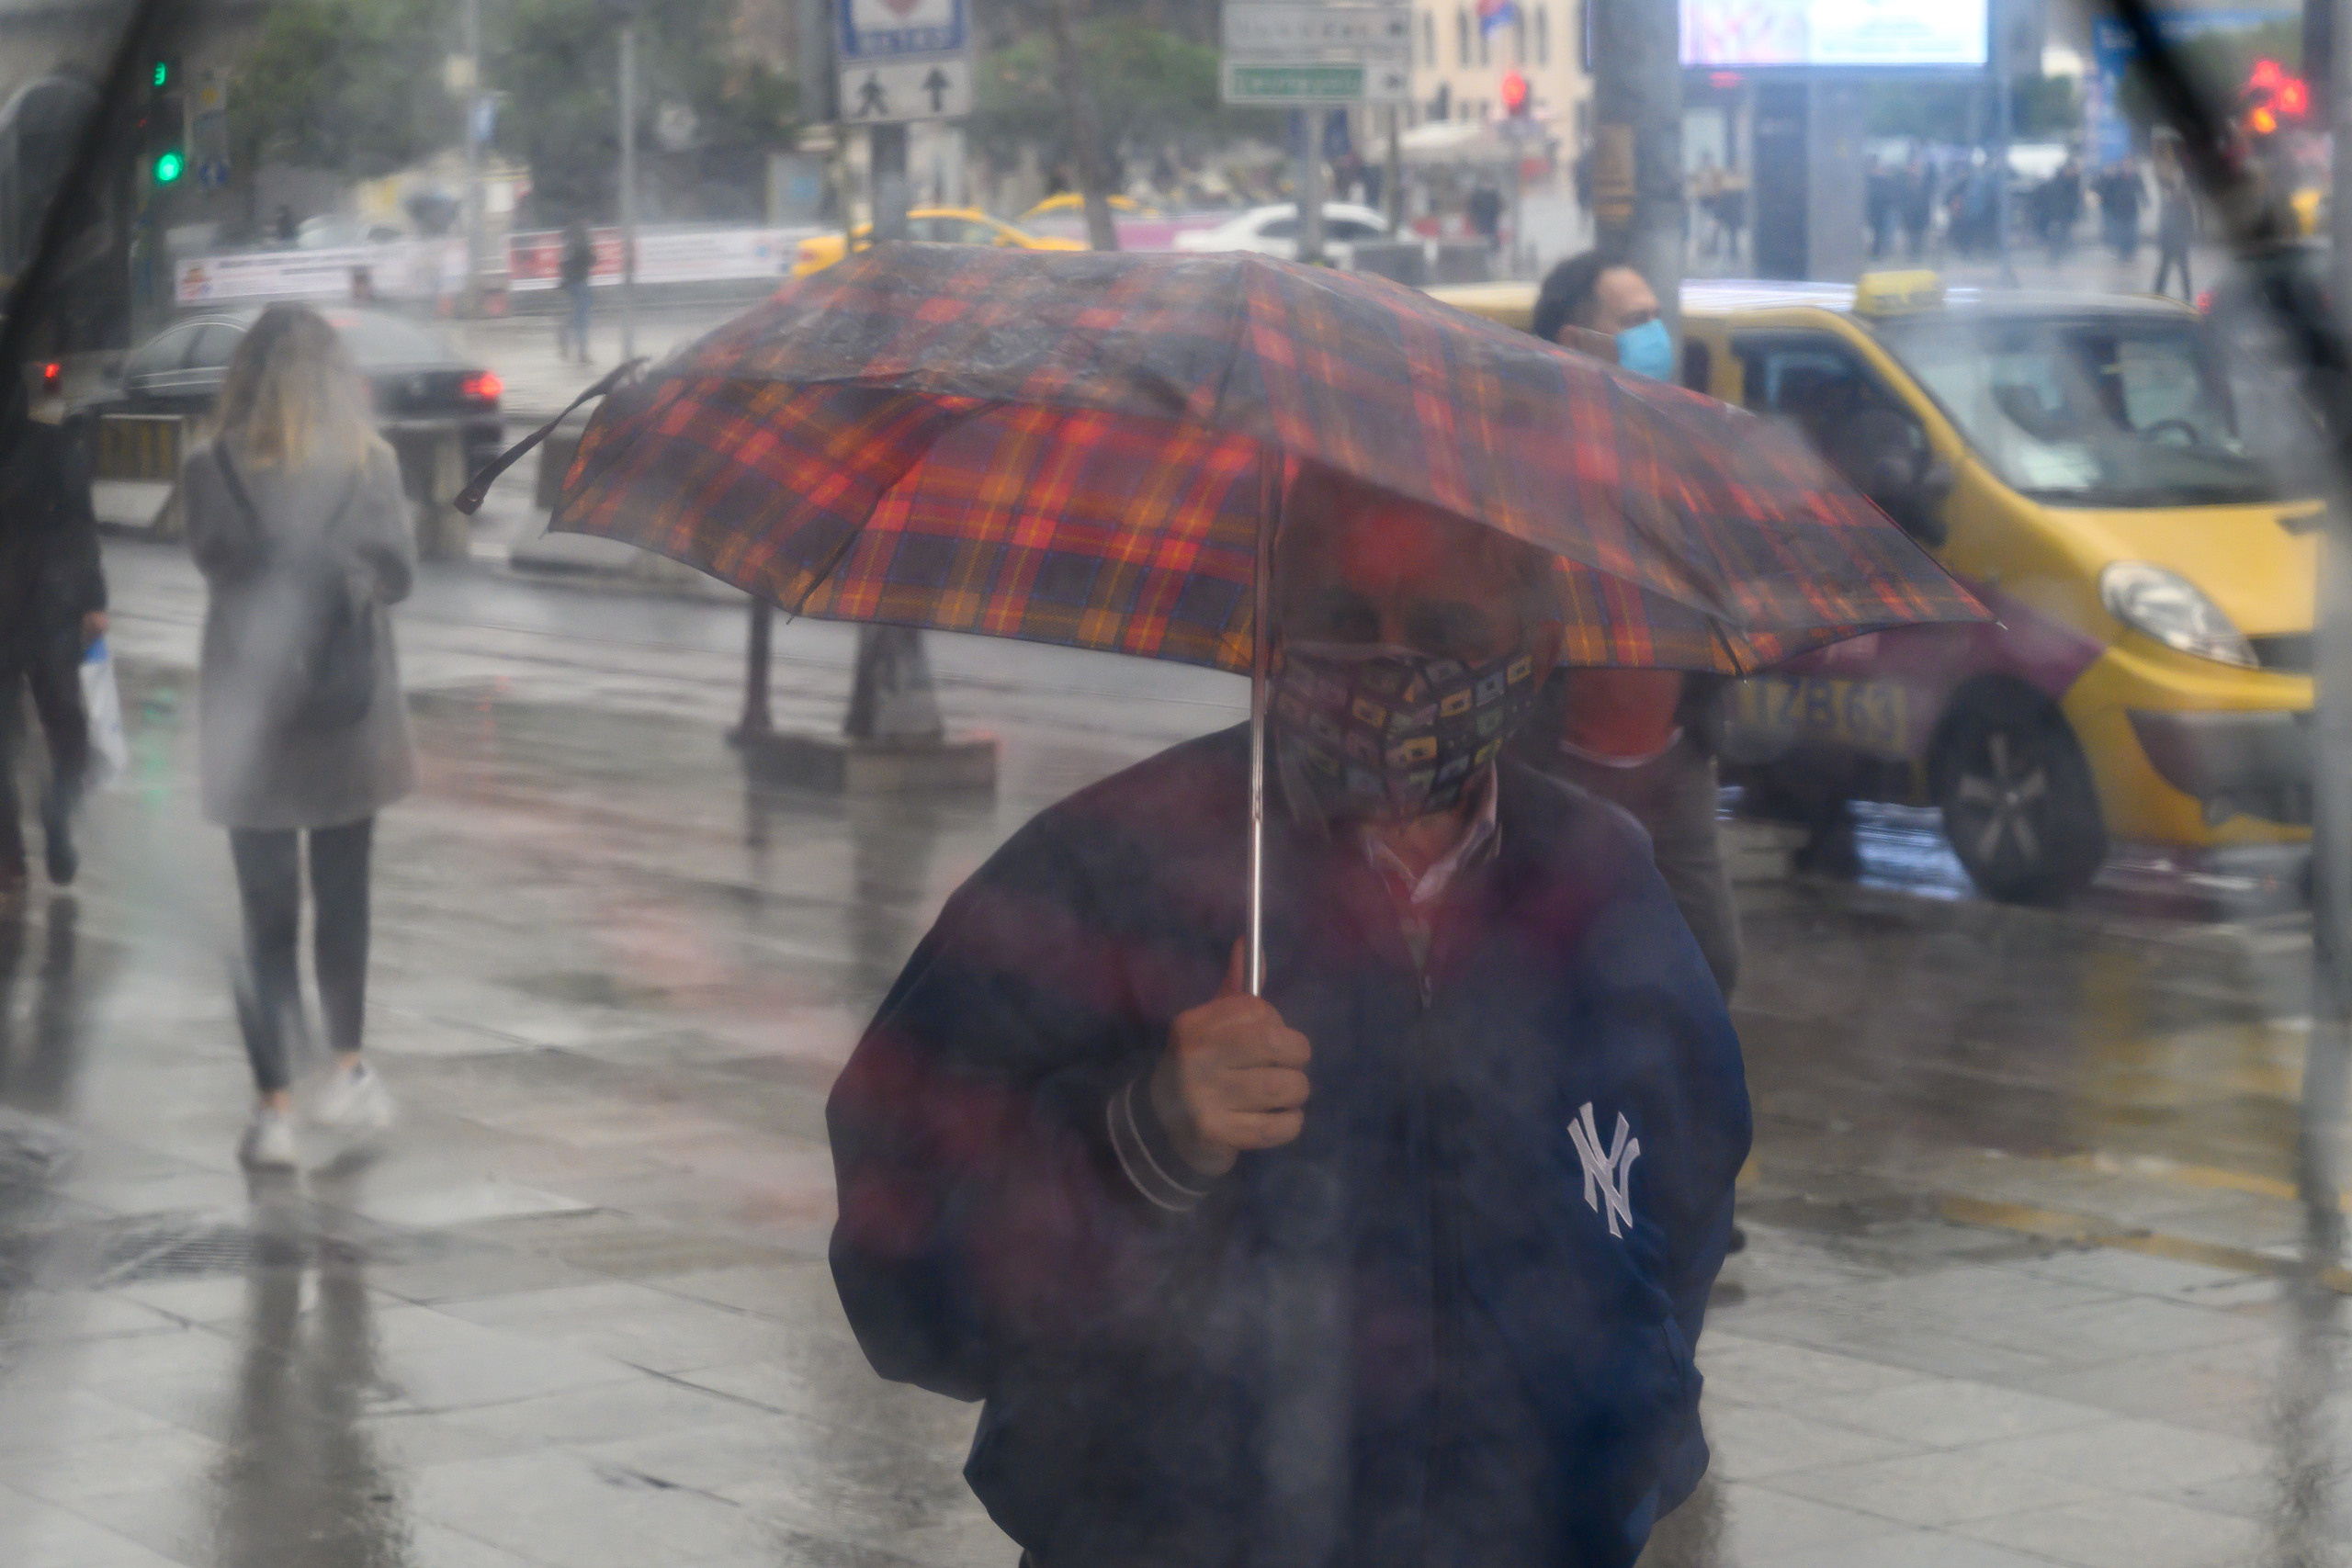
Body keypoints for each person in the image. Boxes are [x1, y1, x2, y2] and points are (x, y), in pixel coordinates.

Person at [830, 467, 1751, 1567]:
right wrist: (1142, 1139)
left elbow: (1682, 1210)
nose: (1389, 661)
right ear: (1271, 622)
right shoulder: (1109, 866)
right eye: (1341, 619)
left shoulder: (1602, 886)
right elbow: (901, 1282)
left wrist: (1627, 1456)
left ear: (1534, 650)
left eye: (1444, 626)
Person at [180, 304, 414, 1168]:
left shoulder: (211, 468)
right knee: (343, 902)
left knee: (264, 916)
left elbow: (209, 558)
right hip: (348, 718)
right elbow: (401, 574)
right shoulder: (371, 464)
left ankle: (272, 1111)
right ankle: (345, 1072)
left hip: (254, 720)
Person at [1527, 249, 1743, 996]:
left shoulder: (1677, 442)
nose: (1656, 335)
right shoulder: (1528, 451)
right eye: (1635, 319)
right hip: (1562, 767)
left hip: (1673, 761)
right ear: (1575, 336)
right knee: (1562, 962)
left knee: (1709, 962)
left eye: (1658, 317)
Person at [0, 376, 106, 899]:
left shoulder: (48, 431)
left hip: (32, 607)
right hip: (48, 606)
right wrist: (92, 599)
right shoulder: (51, 431)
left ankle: (11, 859)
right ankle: (57, 809)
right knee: (67, 726)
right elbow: (80, 519)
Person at [2154, 164, 2197, 299]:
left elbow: (2189, 220)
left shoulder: (2183, 198)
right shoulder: (2169, 196)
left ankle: (2187, 296)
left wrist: (2188, 236)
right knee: (2165, 269)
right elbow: (2163, 221)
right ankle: (2158, 293)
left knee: (2181, 270)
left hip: (2179, 240)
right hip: (2170, 239)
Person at [558, 221, 595, 365]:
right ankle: (582, 353)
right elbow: (592, 260)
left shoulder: (570, 245)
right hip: (579, 283)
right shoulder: (580, 244)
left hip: (575, 284)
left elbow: (564, 264)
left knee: (580, 315)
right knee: (583, 318)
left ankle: (565, 333)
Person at [2099, 160, 2143, 265]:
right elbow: (2106, 190)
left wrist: (2145, 201)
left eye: (2130, 165)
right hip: (2118, 210)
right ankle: (2122, 253)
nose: (2128, 168)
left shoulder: (2135, 177)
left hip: (2132, 210)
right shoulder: (2115, 178)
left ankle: (2130, 252)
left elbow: (2141, 189)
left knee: (2131, 232)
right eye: (2126, 166)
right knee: (2121, 233)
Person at [1899, 154, 1936, 260]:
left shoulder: (1925, 182)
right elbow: (1901, 197)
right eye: (1912, 166)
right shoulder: (1905, 181)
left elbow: (1928, 197)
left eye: (1916, 167)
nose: (1914, 169)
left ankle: (1917, 253)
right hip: (1909, 213)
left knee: (1920, 235)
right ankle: (1912, 253)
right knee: (1911, 235)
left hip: (1921, 213)